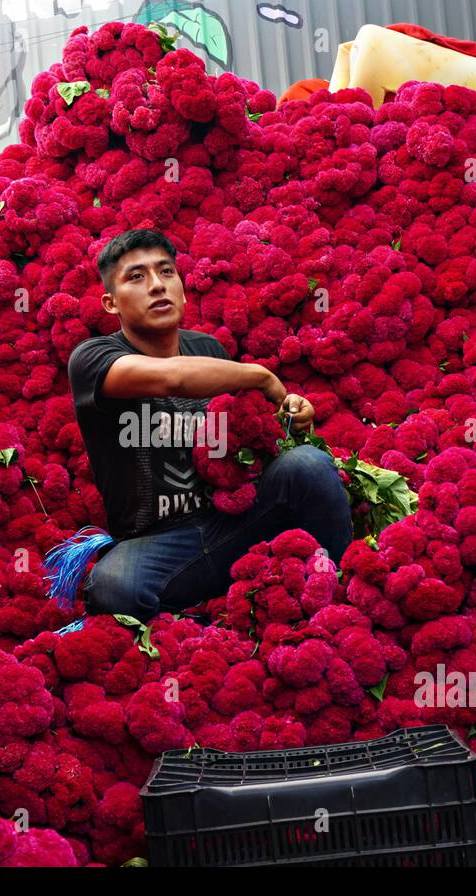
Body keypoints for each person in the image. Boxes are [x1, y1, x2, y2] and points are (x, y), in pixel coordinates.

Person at [67, 228, 354, 621]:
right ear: (110, 303)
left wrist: (289, 416)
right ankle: (202, 615)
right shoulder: (92, 358)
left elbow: (253, 439)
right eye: (136, 277)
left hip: (234, 524)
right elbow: (169, 378)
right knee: (112, 583)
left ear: (183, 290)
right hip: (158, 545)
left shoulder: (208, 349)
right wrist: (263, 377)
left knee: (307, 464)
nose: (156, 286)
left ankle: (337, 583)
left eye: (166, 272)